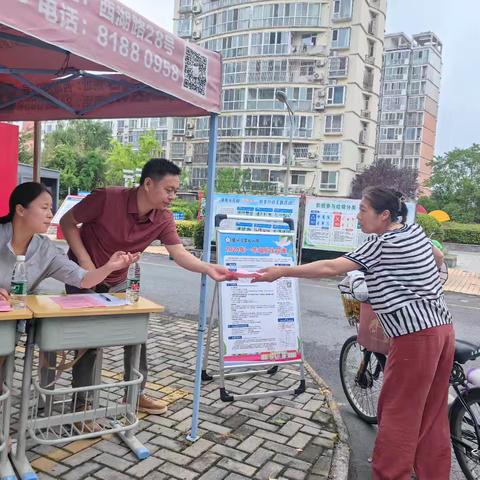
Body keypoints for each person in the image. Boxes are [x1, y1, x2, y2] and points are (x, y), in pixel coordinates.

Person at [255, 187, 454, 480]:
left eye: (362, 210)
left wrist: (282, 271)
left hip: (415, 337)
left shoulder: (381, 245)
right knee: (433, 413)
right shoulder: (413, 232)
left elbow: (331, 266)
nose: (357, 216)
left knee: (399, 414)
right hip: (443, 328)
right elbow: (437, 255)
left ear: (384, 216)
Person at [60, 158, 231, 416]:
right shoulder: (107, 198)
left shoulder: (163, 218)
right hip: (83, 277)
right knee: (91, 340)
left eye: (175, 191)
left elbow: (179, 253)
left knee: (135, 331)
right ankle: (82, 407)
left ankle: (135, 394)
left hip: (117, 280)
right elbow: (67, 222)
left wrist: (208, 268)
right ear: (148, 184)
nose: (173, 196)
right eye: (169, 190)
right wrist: (85, 262)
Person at [0, 182, 137, 301]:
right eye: (44, 208)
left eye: (50, 209)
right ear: (20, 210)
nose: (50, 215)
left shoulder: (46, 250)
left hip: (16, 319)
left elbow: (83, 280)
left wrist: (109, 267)